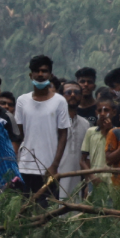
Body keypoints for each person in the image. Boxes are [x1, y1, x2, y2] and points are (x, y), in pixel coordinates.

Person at [14, 55, 70, 202]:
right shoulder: (21, 101)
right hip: (24, 167)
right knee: (22, 213)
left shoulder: (60, 101)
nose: (40, 74)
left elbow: (63, 134)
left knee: (47, 215)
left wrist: (54, 165)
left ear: (50, 75)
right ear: (30, 75)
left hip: (48, 169)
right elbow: (20, 134)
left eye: (44, 71)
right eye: (36, 71)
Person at [58, 81, 92, 199]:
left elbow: (87, 157)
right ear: (61, 96)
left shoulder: (85, 124)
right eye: (68, 92)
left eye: (76, 92)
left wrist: (88, 183)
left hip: (77, 182)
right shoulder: (53, 121)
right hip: (56, 179)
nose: (72, 95)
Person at [81, 97, 115, 188]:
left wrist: (108, 131)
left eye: (106, 110)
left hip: (113, 179)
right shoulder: (91, 132)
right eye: (100, 111)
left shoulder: (118, 133)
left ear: (113, 112)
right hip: (94, 178)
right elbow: (82, 160)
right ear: (96, 113)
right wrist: (90, 177)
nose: (103, 114)